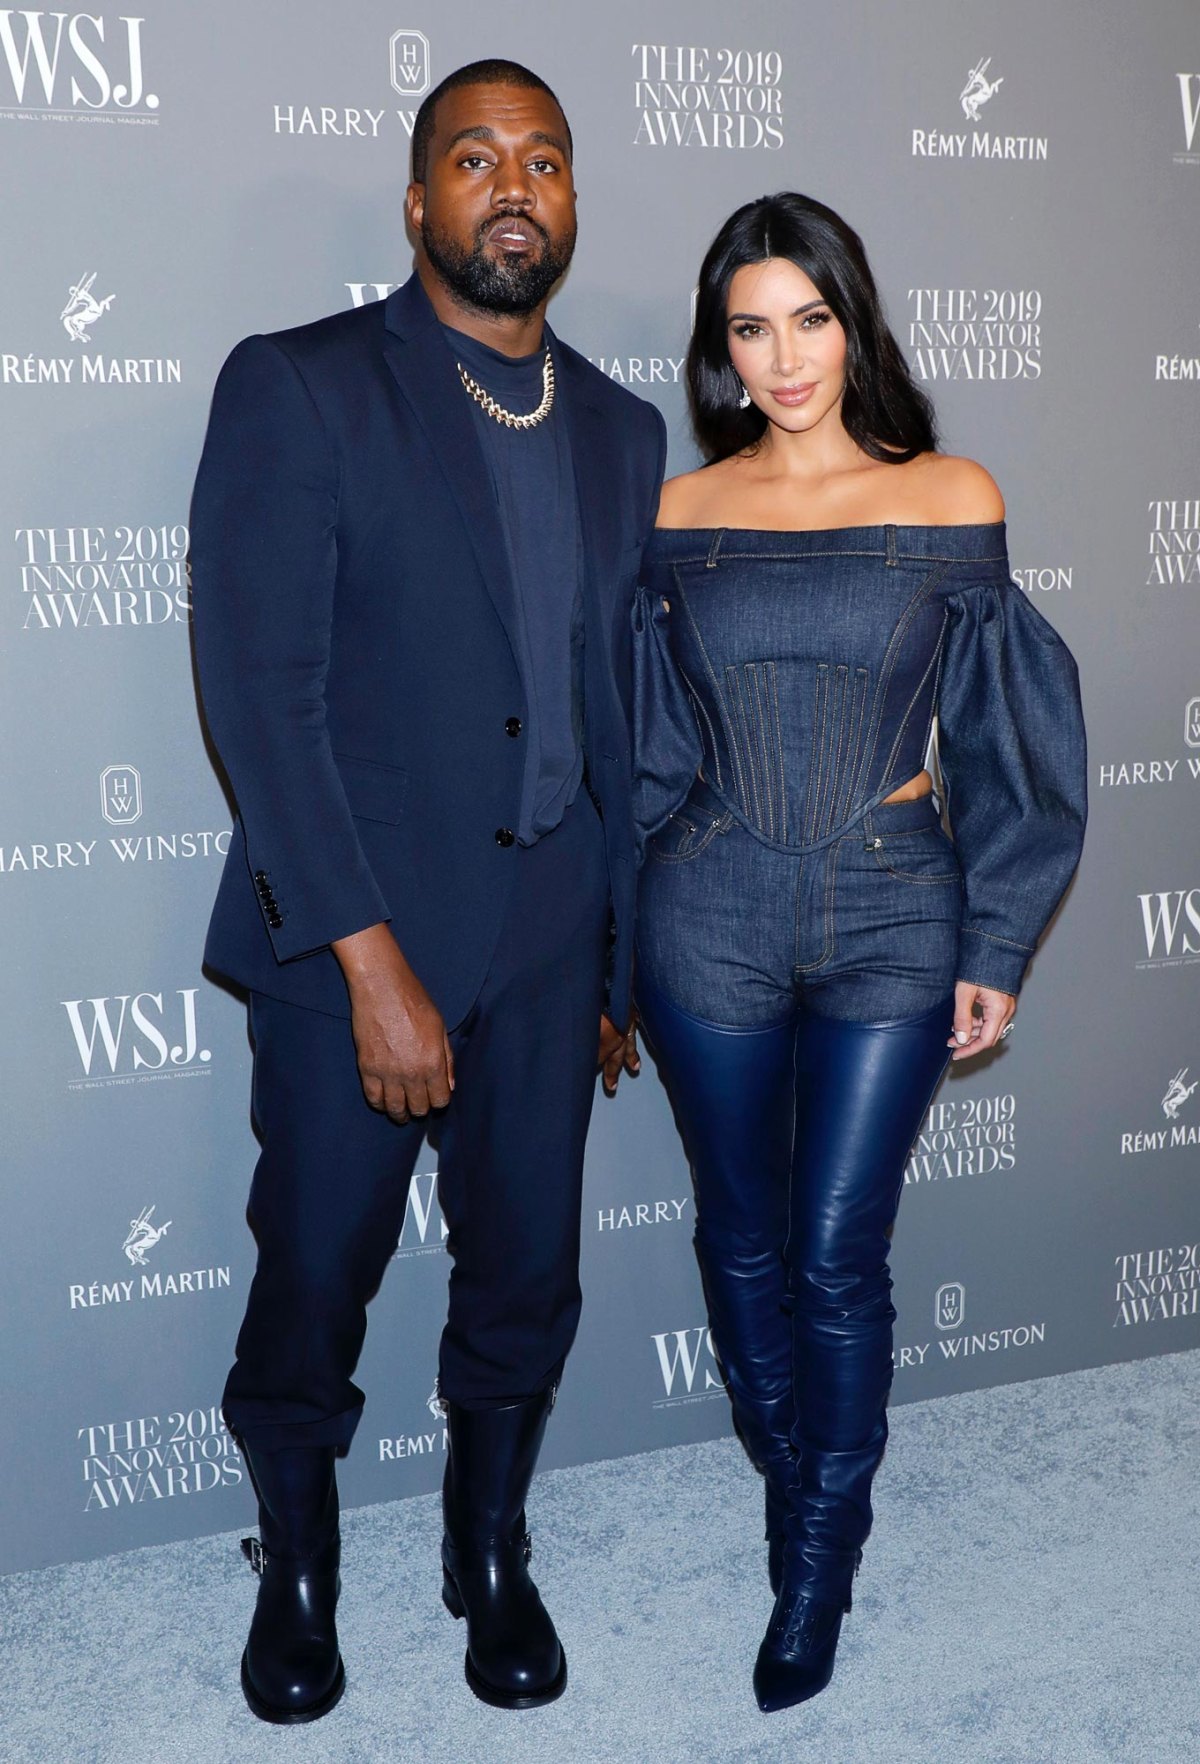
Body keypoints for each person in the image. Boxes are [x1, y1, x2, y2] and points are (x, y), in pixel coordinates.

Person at [191, 59, 661, 1723]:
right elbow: (261, 693)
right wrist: (369, 961)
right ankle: (299, 1574)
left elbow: (608, 709)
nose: (512, 184)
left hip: (551, 935)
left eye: (543, 159)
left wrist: (612, 959)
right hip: (355, 939)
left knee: (529, 1265)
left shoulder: (620, 425)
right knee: (317, 1268)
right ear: (416, 202)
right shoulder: (304, 388)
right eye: (474, 157)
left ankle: (489, 1549)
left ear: (574, 203)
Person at [630, 192, 1086, 1714]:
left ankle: (817, 1557)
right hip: (709, 906)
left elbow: (1020, 736)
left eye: (809, 318)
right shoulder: (682, 515)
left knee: (836, 1252)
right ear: (721, 350)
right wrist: (602, 934)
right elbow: (640, 746)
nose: (784, 356)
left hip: (898, 903)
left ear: (854, 320)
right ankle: (798, 1484)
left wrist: (1000, 936)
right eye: (750, 327)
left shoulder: (952, 493)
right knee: (740, 1237)